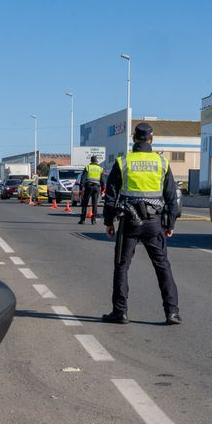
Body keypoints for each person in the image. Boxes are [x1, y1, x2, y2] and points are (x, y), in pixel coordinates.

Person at [101, 122, 181, 325]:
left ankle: (120, 312)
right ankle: (171, 312)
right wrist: (170, 222)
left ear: (134, 139)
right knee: (162, 267)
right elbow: (172, 196)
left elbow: (110, 195)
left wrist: (109, 221)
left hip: (129, 221)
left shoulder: (123, 162)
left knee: (122, 266)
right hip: (153, 222)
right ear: (151, 139)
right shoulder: (161, 162)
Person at [78, 155, 103, 225]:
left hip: (89, 187)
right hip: (96, 187)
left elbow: (83, 178)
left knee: (85, 203)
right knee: (95, 204)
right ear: (96, 161)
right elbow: (102, 180)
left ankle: (82, 220)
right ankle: (93, 220)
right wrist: (103, 189)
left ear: (91, 161)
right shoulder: (100, 168)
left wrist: (81, 188)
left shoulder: (88, 167)